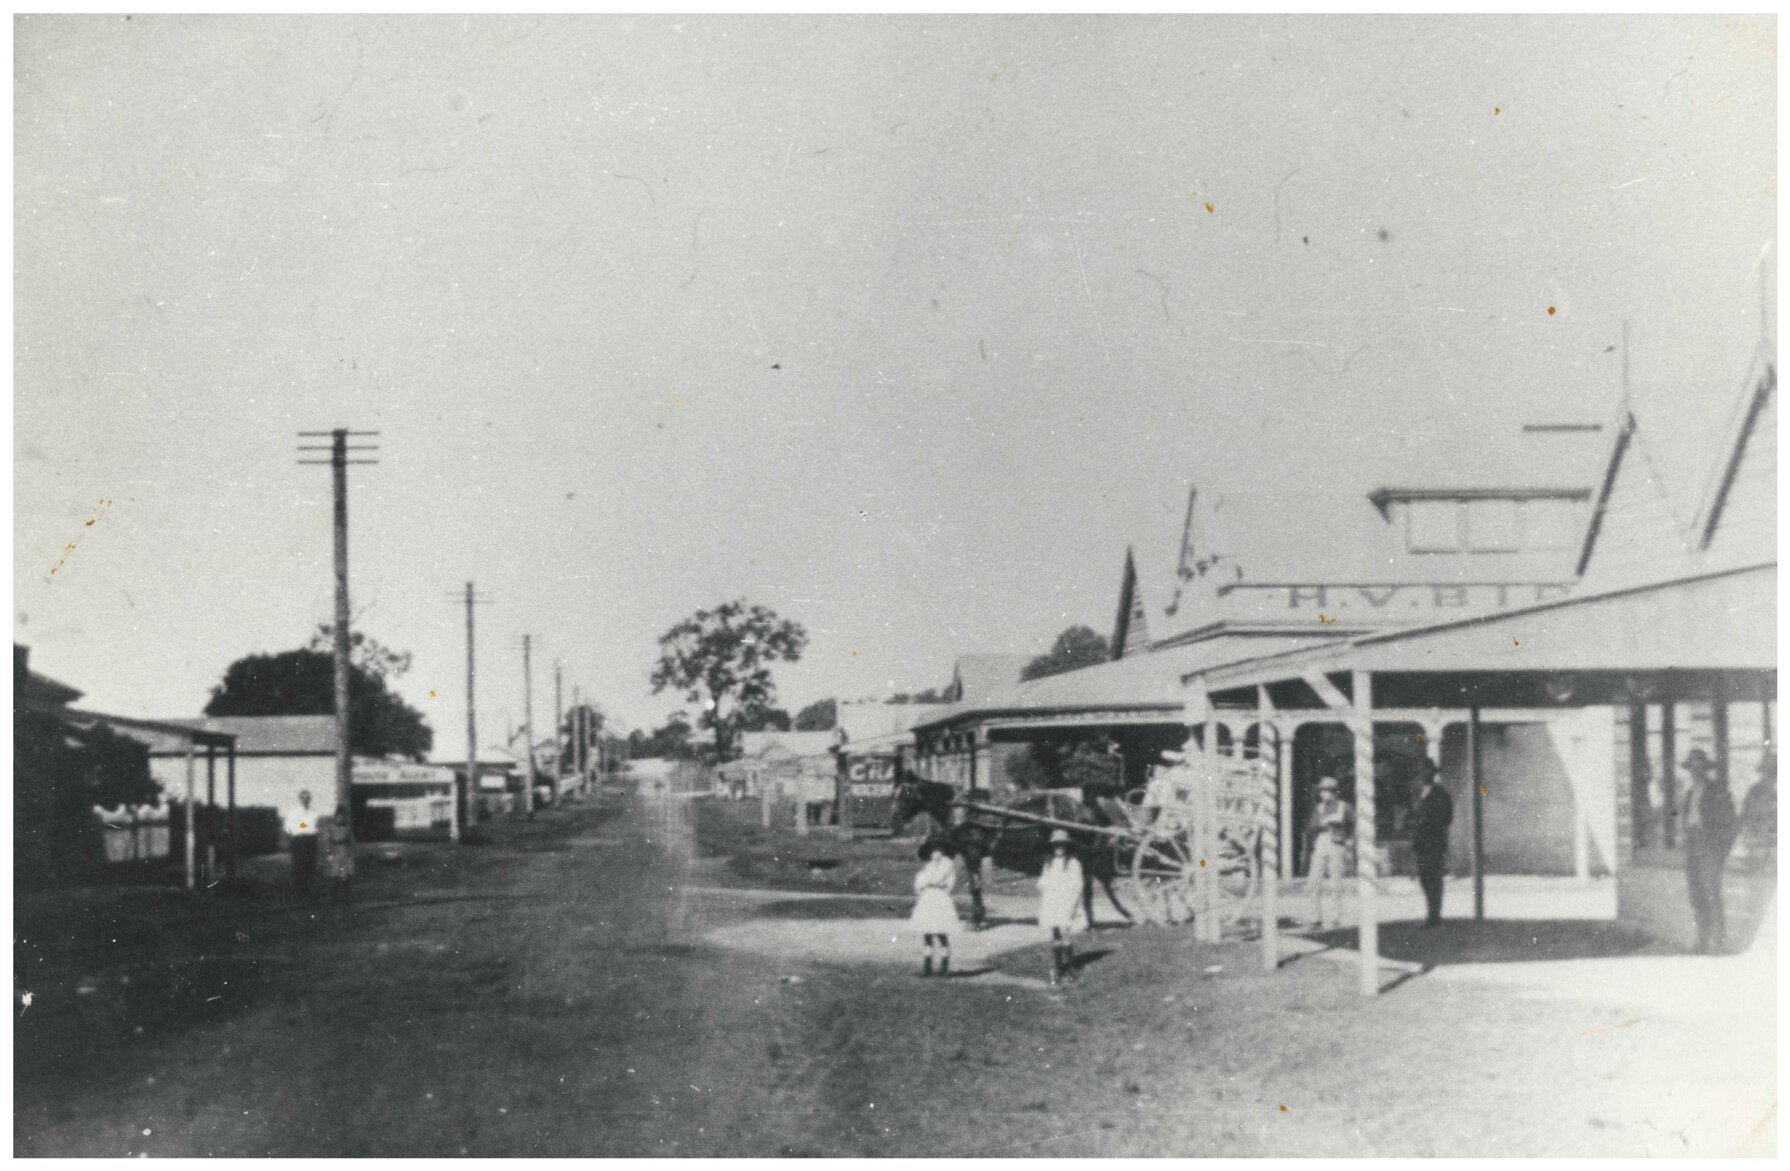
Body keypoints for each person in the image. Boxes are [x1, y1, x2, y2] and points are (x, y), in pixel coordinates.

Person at [1680, 748, 1737, 954]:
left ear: (1705, 769)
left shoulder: (1717, 791)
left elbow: (1730, 822)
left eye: (1699, 767)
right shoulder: (1689, 794)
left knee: (1711, 892)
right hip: (1692, 847)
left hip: (1710, 848)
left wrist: (1721, 850)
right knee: (1696, 893)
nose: (1695, 771)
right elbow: (1686, 821)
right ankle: (1702, 939)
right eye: (1692, 767)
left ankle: (1717, 940)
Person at [1302, 776, 1355, 930]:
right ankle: (1315, 918)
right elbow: (1310, 827)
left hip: (1337, 843)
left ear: (1334, 792)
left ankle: (1335, 918)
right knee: (1313, 881)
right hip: (1322, 841)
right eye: (1322, 791)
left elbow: (1354, 824)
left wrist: (1350, 841)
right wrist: (1322, 823)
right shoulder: (1319, 808)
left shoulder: (1344, 807)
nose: (1323, 794)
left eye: (1327, 791)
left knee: (1335, 883)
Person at [1408, 761, 1454, 927]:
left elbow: (1446, 818)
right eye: (1419, 773)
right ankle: (1432, 914)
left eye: (1424, 772)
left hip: (1434, 842)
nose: (1421, 776)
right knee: (1425, 879)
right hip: (1421, 843)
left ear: (1431, 774)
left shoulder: (1440, 794)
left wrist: (1430, 826)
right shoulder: (1420, 794)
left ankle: (1434, 916)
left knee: (1433, 879)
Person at [1038, 829, 1085, 985]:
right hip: (1052, 902)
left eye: (1062, 845)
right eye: (1056, 845)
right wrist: (1043, 884)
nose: (1059, 848)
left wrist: (1072, 904)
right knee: (1055, 934)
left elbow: (1078, 885)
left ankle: (1070, 968)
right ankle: (1059, 968)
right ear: (1052, 847)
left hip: (1066, 902)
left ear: (1067, 847)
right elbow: (1043, 881)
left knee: (1065, 932)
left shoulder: (1073, 863)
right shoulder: (1049, 863)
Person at [910, 839, 961, 977]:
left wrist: (936, 885)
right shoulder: (928, 866)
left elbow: (948, 883)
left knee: (941, 932)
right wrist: (922, 887)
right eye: (933, 852)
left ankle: (944, 967)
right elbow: (920, 882)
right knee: (927, 934)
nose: (936, 854)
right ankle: (927, 966)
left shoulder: (947, 865)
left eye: (939, 851)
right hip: (928, 898)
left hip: (940, 899)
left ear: (943, 852)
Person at [1738, 750, 1777, 874]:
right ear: (1762, 773)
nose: (1770, 777)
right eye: (1767, 772)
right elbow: (1745, 815)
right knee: (1755, 873)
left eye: (1773, 773)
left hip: (1773, 843)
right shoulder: (1754, 791)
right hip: (1755, 840)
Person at [284, 790, 320, 898]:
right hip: (298, 841)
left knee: (310, 866)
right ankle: (298, 892)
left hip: (311, 841)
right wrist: (294, 836)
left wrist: (306, 828)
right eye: (303, 798)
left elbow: (316, 827)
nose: (306, 800)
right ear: (300, 799)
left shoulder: (314, 813)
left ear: (310, 799)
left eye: (308, 798)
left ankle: (308, 892)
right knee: (299, 866)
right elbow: (288, 828)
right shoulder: (293, 813)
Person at [322, 802, 356, 902]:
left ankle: (346, 895)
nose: (341, 818)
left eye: (343, 816)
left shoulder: (347, 827)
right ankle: (334, 896)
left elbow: (352, 840)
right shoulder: (331, 828)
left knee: (346, 875)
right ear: (335, 816)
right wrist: (329, 853)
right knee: (335, 875)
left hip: (345, 852)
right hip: (335, 852)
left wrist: (352, 851)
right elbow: (327, 841)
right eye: (339, 816)